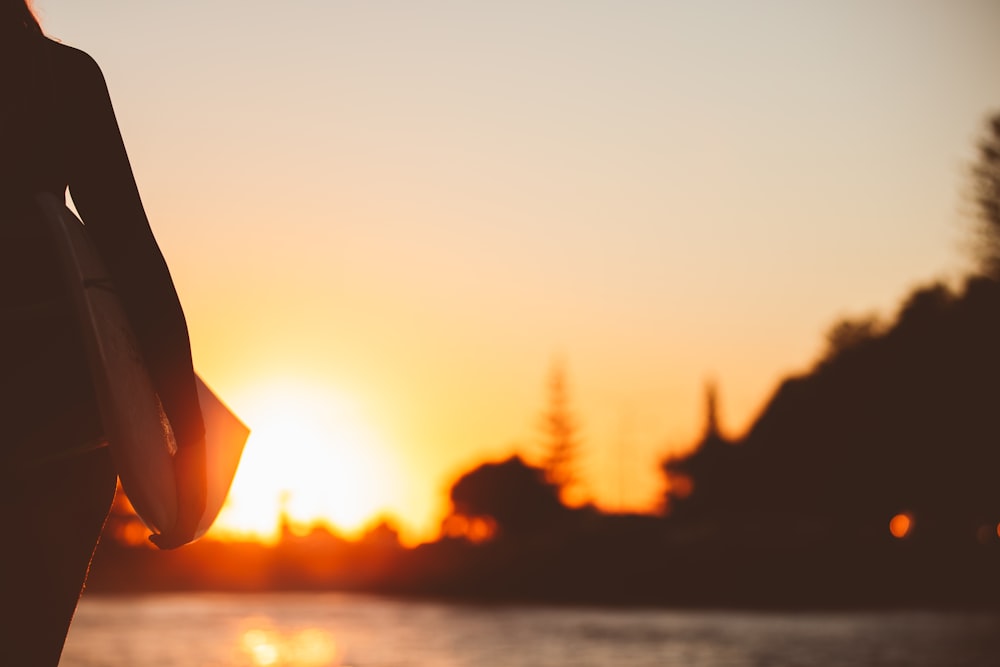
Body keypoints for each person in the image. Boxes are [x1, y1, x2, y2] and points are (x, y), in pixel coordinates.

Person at [1, 1, 207, 662]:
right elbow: (129, 254)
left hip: (60, 430)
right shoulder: (59, 77)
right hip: (58, 419)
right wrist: (188, 435)